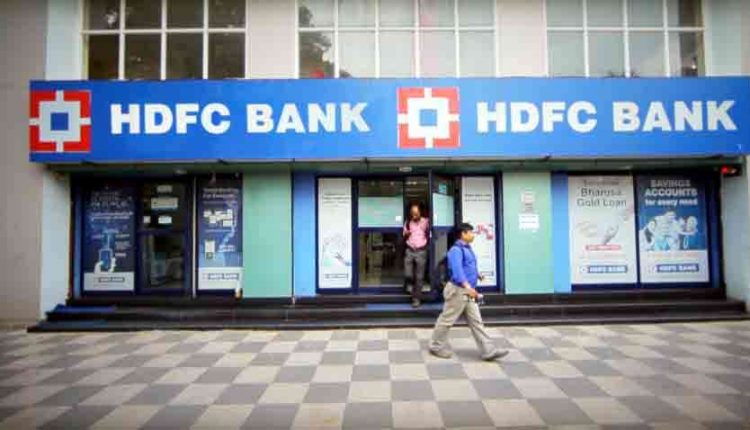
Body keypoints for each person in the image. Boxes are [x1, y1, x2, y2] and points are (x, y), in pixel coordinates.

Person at [429, 223, 508, 361]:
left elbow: (468, 266)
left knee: (477, 322)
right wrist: (468, 287)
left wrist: (477, 274)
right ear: (463, 234)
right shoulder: (456, 250)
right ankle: (436, 346)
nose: (473, 235)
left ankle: (488, 350)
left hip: (468, 291)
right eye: (470, 232)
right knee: (446, 320)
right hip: (458, 291)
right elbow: (457, 271)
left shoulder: (467, 248)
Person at [403, 203, 429, 308]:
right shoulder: (408, 222)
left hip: (421, 251)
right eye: (412, 213)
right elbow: (404, 233)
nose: (414, 215)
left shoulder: (426, 222)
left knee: (419, 277)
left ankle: (416, 299)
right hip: (409, 250)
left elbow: (432, 232)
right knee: (408, 274)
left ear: (420, 212)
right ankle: (409, 286)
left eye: (416, 213)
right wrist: (406, 233)